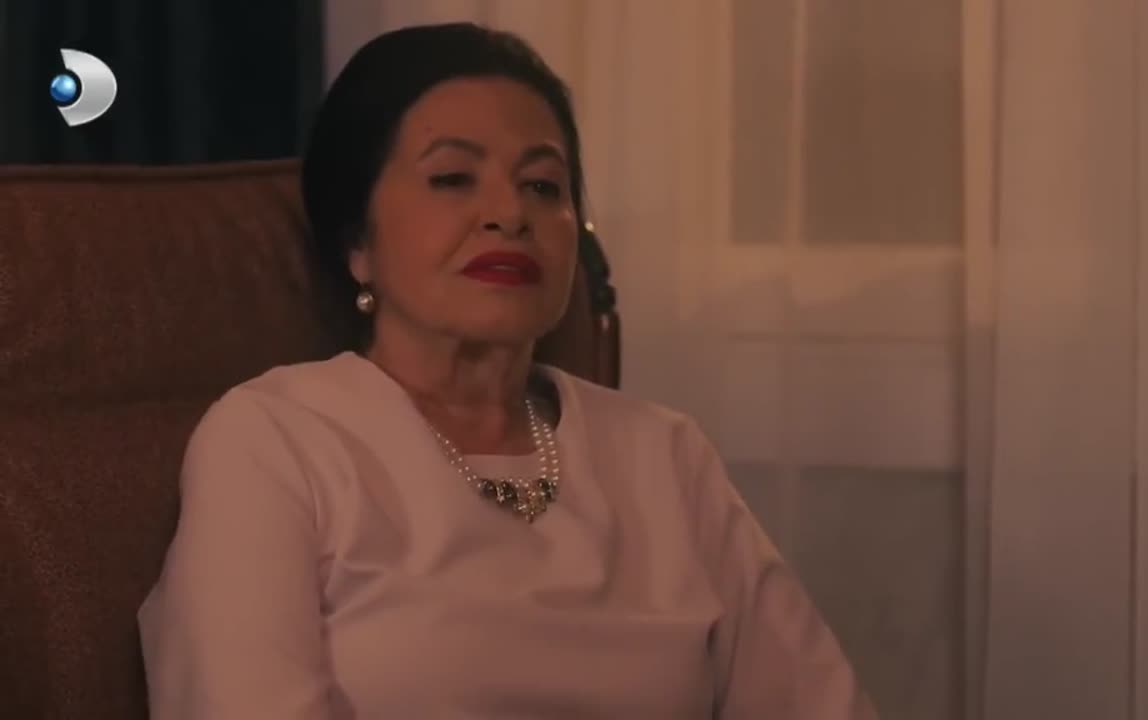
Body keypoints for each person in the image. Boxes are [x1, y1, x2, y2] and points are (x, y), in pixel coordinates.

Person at [137, 23, 878, 720]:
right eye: (453, 177)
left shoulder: (664, 454)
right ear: (358, 242)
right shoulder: (276, 439)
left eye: (544, 186)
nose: (509, 213)